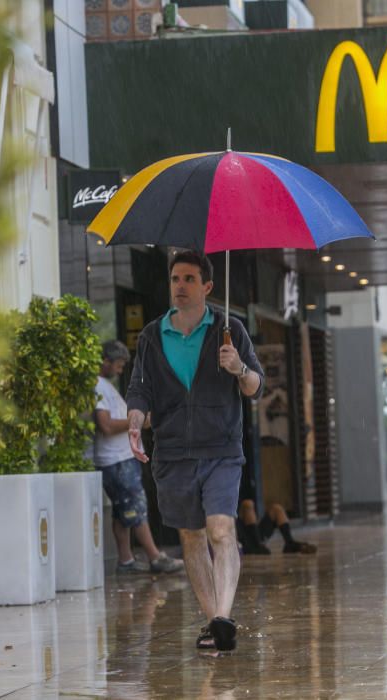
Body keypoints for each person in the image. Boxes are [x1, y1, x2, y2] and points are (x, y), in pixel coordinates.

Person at [126, 250, 264, 653]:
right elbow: (140, 389)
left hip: (221, 448)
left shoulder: (229, 330)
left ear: (207, 286)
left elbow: (257, 386)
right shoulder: (152, 336)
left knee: (220, 529)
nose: (180, 286)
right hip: (172, 453)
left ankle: (223, 617)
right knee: (191, 537)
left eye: (189, 279)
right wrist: (135, 421)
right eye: (175, 279)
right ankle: (213, 623)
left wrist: (238, 367)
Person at [93, 340, 184, 575]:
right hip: (117, 460)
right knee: (135, 506)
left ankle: (126, 560)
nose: (121, 371)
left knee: (123, 510)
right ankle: (155, 556)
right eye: (119, 365)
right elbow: (106, 425)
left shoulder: (104, 386)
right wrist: (139, 420)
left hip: (120, 458)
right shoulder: (97, 386)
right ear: (106, 362)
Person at [236, 499, 317, 555]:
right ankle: (256, 547)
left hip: (253, 534)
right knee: (247, 504)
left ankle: (289, 543)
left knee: (276, 509)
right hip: (243, 540)